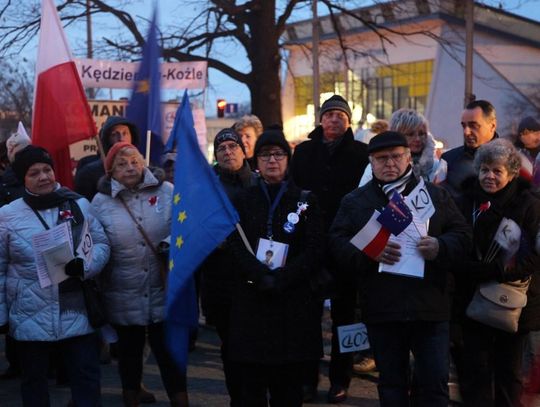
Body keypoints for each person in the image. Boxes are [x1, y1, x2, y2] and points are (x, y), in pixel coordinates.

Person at [330, 131, 472, 407]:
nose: (390, 163)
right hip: (383, 308)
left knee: (434, 386)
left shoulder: (434, 195)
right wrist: (370, 253)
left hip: (430, 307)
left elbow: (463, 235)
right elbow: (336, 243)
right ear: (371, 163)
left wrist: (440, 246)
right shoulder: (355, 201)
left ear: (409, 157)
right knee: (392, 386)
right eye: (382, 158)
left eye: (396, 156)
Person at [0, 145, 110, 406]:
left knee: (86, 377)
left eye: (47, 170)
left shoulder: (78, 203)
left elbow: (102, 243)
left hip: (76, 311)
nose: (43, 177)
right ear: (22, 179)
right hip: (29, 312)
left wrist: (86, 266)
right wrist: (2, 314)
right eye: (34, 173)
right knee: (34, 382)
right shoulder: (7, 215)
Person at [228, 128, 324, 406]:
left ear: (288, 159)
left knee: (288, 390)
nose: (272, 160)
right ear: (255, 160)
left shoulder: (306, 199)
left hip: (292, 303)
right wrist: (259, 275)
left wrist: (285, 276)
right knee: (252, 389)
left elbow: (316, 248)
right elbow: (235, 245)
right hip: (252, 302)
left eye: (279, 154)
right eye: (265, 155)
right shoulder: (244, 200)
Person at [91, 142, 187, 407]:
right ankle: (130, 396)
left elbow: (184, 225)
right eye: (121, 164)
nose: (130, 167)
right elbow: (95, 240)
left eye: (134, 160)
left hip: (164, 287)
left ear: (143, 162)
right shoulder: (100, 202)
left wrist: (168, 244)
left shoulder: (167, 191)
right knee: (129, 354)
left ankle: (181, 400)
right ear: (110, 171)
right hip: (123, 289)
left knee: (169, 353)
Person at [290, 94, 369, 403]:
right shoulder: (304, 152)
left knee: (346, 317)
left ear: (349, 121)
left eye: (341, 115)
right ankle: (307, 378)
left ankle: (341, 378)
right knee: (307, 317)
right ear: (320, 120)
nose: (335, 119)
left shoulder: (361, 154)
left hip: (347, 246)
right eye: (330, 114)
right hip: (309, 245)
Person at [453, 139, 540, 406]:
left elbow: (534, 255)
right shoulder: (464, 201)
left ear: (512, 173)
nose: (489, 176)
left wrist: (495, 270)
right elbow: (455, 239)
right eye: (485, 170)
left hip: (512, 302)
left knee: (509, 372)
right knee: (474, 370)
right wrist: (467, 266)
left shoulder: (529, 204)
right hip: (471, 298)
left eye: (497, 171)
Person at [199, 128, 258, 406]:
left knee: (256, 344)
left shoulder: (259, 184)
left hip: (256, 278)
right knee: (231, 346)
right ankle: (239, 398)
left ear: (244, 151)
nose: (227, 151)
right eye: (221, 148)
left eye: (232, 146)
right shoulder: (206, 189)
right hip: (220, 280)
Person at [359, 108, 447, 186]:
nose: (417, 139)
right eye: (410, 134)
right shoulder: (378, 167)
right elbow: (363, 199)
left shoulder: (436, 167)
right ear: (396, 134)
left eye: (421, 134)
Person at [442, 99, 498, 202]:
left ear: (492, 126)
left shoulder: (510, 161)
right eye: (464, 126)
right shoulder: (448, 159)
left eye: (473, 126)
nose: (466, 132)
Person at [75, 116, 140, 201]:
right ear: (106, 139)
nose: (121, 138)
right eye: (114, 134)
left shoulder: (143, 168)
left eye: (125, 133)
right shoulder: (88, 172)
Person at [515, 116, 540, 188]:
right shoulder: (517, 155)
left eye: (526, 132)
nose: (522, 136)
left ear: (538, 133)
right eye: (520, 134)